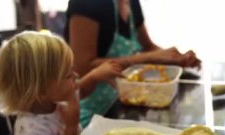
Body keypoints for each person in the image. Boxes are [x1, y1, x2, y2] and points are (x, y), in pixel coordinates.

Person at [65, 0, 201, 127]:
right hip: (91, 114)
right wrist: (149, 58)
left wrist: (178, 58)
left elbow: (148, 47)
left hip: (125, 102)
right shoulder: (87, 3)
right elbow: (82, 68)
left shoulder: (131, 2)